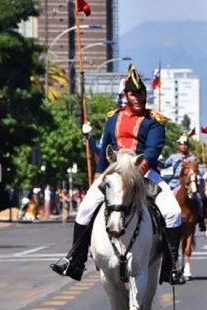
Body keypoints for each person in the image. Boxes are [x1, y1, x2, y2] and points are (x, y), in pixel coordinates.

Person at [50, 64, 185, 284]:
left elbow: (151, 152)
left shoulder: (155, 122)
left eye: (141, 93)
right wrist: (99, 174)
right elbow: (106, 149)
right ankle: (76, 261)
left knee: (173, 213)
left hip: (144, 173)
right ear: (126, 95)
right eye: (133, 93)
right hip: (113, 174)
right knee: (84, 209)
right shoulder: (113, 119)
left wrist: (132, 173)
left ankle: (171, 267)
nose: (138, 97)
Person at [162, 135, 206, 231]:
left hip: (189, 182)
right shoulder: (173, 157)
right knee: (165, 198)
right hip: (175, 183)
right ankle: (163, 219)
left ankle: (201, 219)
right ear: (178, 146)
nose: (183, 146)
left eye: (185, 144)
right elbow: (164, 165)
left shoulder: (193, 158)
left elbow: (198, 171)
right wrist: (157, 160)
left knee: (200, 197)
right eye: (181, 144)